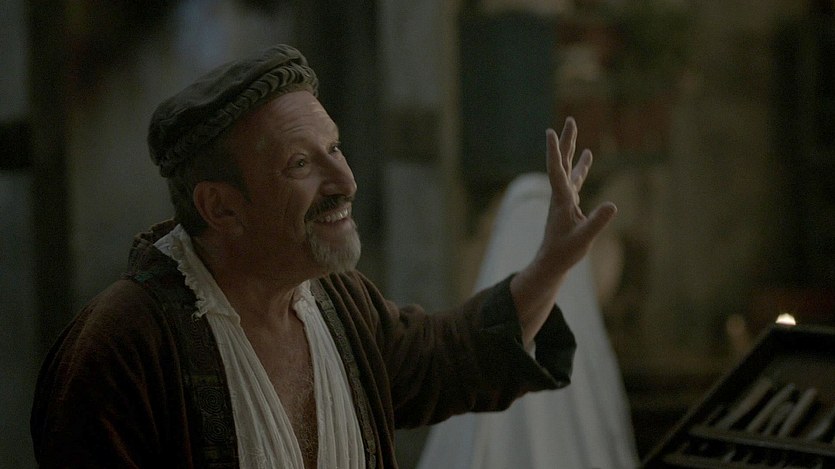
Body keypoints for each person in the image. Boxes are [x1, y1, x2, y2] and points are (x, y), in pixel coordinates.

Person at [30, 44, 616, 468]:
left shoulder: (336, 301)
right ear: (221, 207)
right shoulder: (123, 348)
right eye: (300, 164)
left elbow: (444, 360)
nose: (345, 181)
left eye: (334, 147)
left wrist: (551, 263)